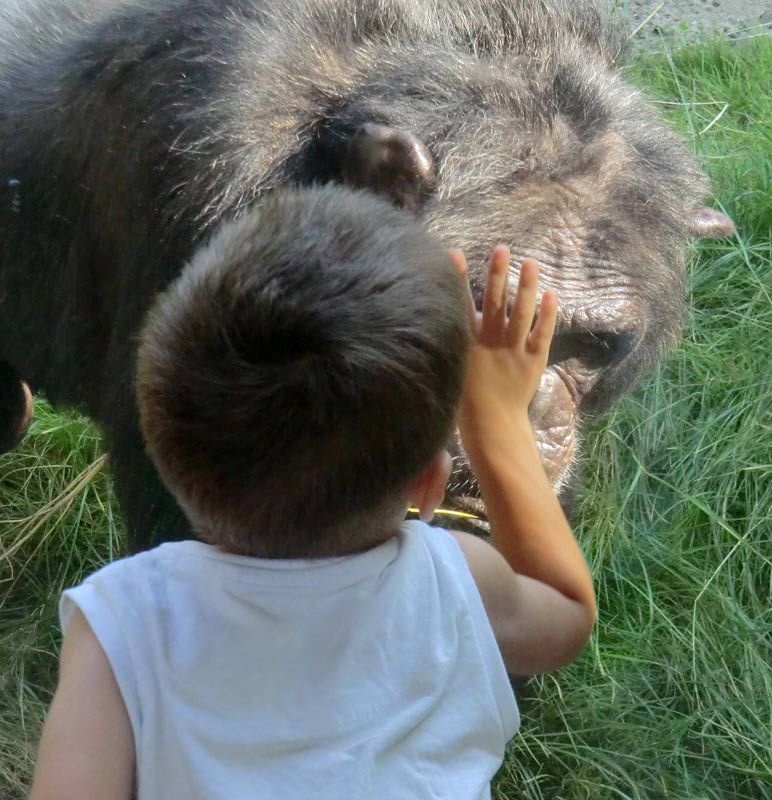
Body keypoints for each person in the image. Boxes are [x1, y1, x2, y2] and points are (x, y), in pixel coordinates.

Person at [29, 187, 596, 800]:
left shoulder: (125, 624)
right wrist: (497, 424)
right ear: (431, 487)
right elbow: (565, 613)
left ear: (164, 452)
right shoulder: (455, 579)